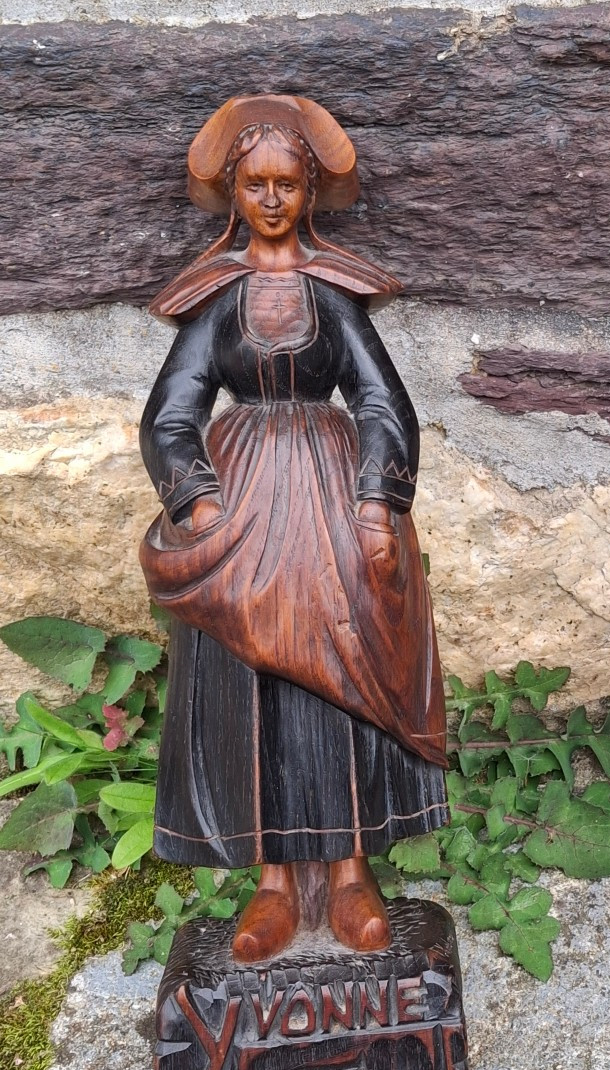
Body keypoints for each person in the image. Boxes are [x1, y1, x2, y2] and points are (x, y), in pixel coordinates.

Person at [139, 95, 448, 964]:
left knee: (338, 679)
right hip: (240, 507)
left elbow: (382, 399)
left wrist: (377, 501)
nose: (271, 199)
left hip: (327, 496)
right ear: (234, 192)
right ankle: (273, 883)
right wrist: (196, 498)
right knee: (252, 689)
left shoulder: (334, 293)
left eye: (286, 183)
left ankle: (351, 874)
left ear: (309, 190)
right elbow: (171, 412)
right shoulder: (215, 299)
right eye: (256, 183)